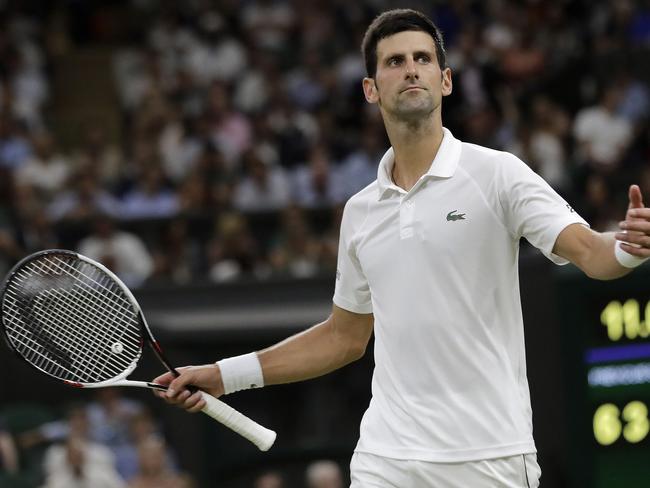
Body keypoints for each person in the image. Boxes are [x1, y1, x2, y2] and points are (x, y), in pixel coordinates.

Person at [153, 9, 650, 487]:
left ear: (445, 79)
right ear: (371, 89)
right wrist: (223, 376)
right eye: (394, 62)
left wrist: (627, 248)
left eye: (422, 59)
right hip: (386, 458)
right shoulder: (360, 212)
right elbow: (343, 338)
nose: (410, 70)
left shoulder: (498, 174)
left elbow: (591, 254)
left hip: (489, 456)